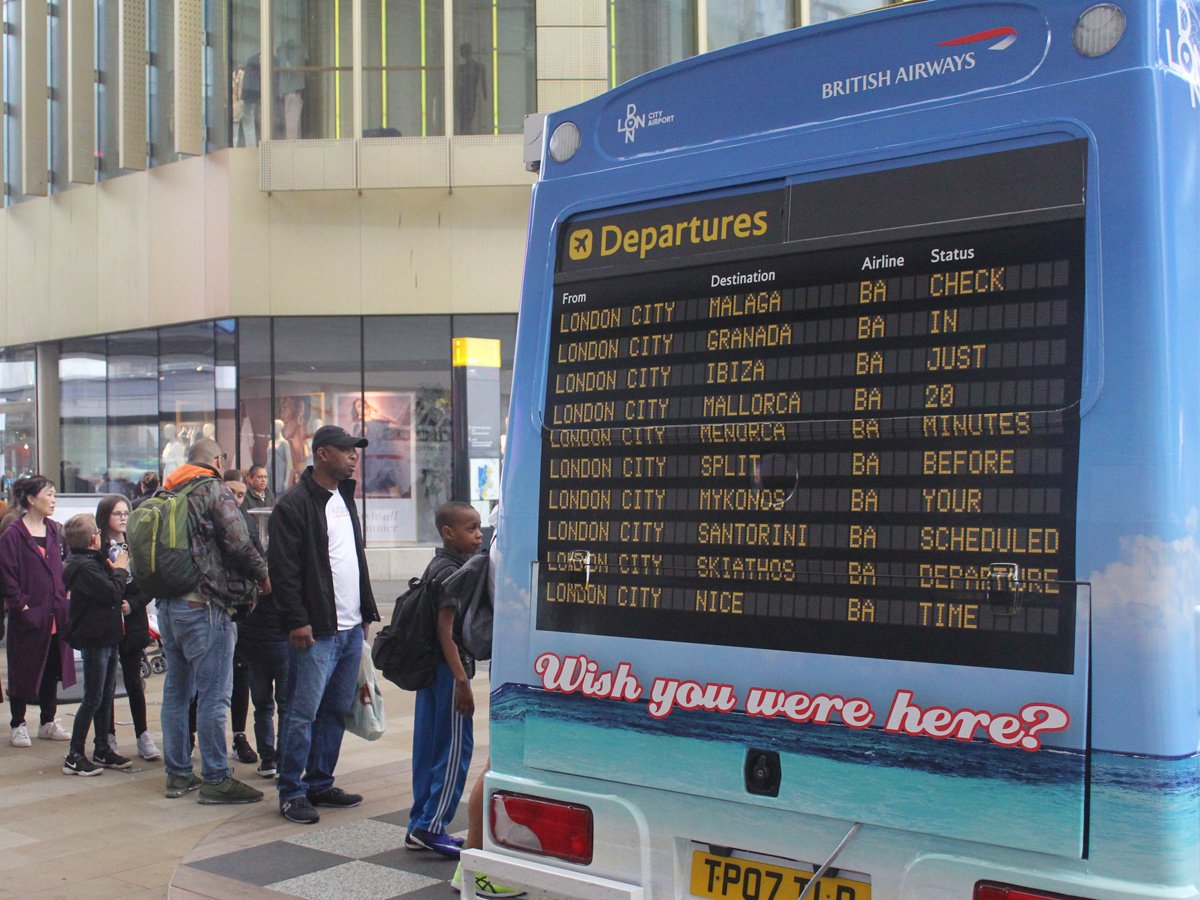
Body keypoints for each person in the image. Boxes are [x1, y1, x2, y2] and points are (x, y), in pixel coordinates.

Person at [269, 425, 380, 825]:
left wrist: (365, 611)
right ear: (321, 455)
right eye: (345, 450)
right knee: (302, 712)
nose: (354, 456)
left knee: (334, 709)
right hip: (315, 631)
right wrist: (297, 622)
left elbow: (354, 561)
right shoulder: (293, 505)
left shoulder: (343, 499)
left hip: (349, 628)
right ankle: (291, 790)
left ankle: (319, 781)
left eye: (355, 450)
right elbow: (283, 572)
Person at [157, 439, 270, 803]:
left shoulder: (167, 490)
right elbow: (237, 542)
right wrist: (263, 574)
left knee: (176, 691)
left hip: (168, 605)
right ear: (218, 461)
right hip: (205, 606)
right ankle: (216, 778)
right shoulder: (212, 490)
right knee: (214, 696)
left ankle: (177, 775)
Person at [406, 501, 483, 857]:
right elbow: (446, 631)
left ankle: (419, 824)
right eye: (470, 528)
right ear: (448, 533)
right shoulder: (454, 572)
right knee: (454, 750)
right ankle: (432, 825)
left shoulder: (437, 564)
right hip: (451, 672)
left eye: (479, 527)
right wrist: (462, 682)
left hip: (431, 671)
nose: (478, 534)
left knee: (428, 748)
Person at [0, 476, 75, 747]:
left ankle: (48, 720)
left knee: (52, 667)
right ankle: (18, 723)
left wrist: (65, 596)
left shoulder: (56, 530)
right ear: (31, 499)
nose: (53, 499)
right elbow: (7, 574)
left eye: (55, 494)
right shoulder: (13, 534)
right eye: (49, 494)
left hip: (56, 612)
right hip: (29, 614)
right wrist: (21, 604)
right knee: (23, 667)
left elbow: (65, 565)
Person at [61, 513, 134, 775]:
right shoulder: (85, 567)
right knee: (93, 697)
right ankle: (75, 754)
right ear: (93, 539)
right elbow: (112, 592)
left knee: (106, 695)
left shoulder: (91, 560)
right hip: (96, 637)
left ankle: (102, 747)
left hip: (107, 634)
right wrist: (122, 568)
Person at [97, 494, 161, 761]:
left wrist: (132, 605)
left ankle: (142, 735)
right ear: (105, 517)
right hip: (107, 623)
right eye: (117, 514)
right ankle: (107, 735)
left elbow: (148, 584)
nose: (123, 518)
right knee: (106, 683)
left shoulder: (136, 546)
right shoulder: (98, 549)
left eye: (126, 513)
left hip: (133, 621)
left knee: (134, 681)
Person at [222, 469, 259, 766]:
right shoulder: (210, 520)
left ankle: (238, 735)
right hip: (218, 607)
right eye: (230, 493)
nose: (235, 499)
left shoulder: (248, 521)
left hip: (243, 609)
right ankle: (192, 735)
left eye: (240, 494)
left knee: (241, 673)